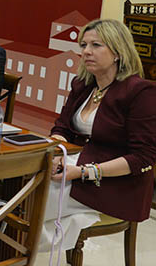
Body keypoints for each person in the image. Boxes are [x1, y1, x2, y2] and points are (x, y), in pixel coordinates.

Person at [39, 19, 156, 251]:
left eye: (96, 45)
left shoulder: (140, 92)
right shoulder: (83, 84)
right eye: (83, 45)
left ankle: (11, 248)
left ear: (118, 52)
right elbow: (61, 128)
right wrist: (58, 154)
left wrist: (84, 172)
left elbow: (143, 157)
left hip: (116, 182)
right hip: (75, 165)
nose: (86, 52)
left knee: (37, 194)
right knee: (19, 179)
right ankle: (3, 247)